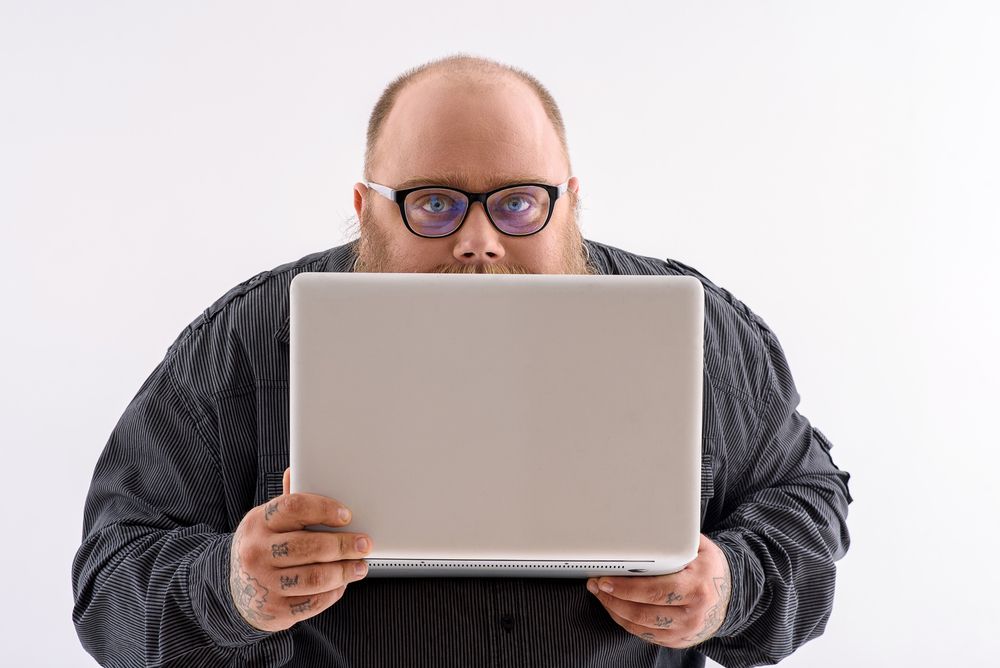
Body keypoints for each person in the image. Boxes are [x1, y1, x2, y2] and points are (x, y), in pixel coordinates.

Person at [72, 54, 852, 668]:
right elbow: (110, 580)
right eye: (434, 203)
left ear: (570, 201)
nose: (479, 241)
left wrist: (730, 587)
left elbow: (806, 501)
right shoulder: (247, 340)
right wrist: (232, 590)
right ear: (364, 207)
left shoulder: (698, 329)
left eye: (518, 202)